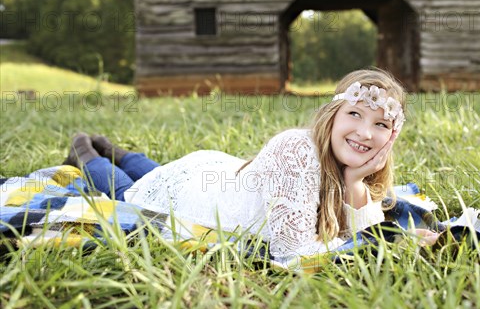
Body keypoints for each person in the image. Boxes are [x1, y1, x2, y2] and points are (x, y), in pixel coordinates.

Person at [66, 68, 438, 260]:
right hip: (196, 195)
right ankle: (87, 150)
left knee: (158, 169)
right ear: (332, 115)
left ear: (391, 137)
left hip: (221, 174)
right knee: (130, 188)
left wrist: (356, 182)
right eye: (355, 114)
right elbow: (292, 253)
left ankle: (111, 146)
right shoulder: (297, 150)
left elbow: (351, 234)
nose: (364, 132)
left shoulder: (358, 169)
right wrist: (397, 242)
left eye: (380, 124)